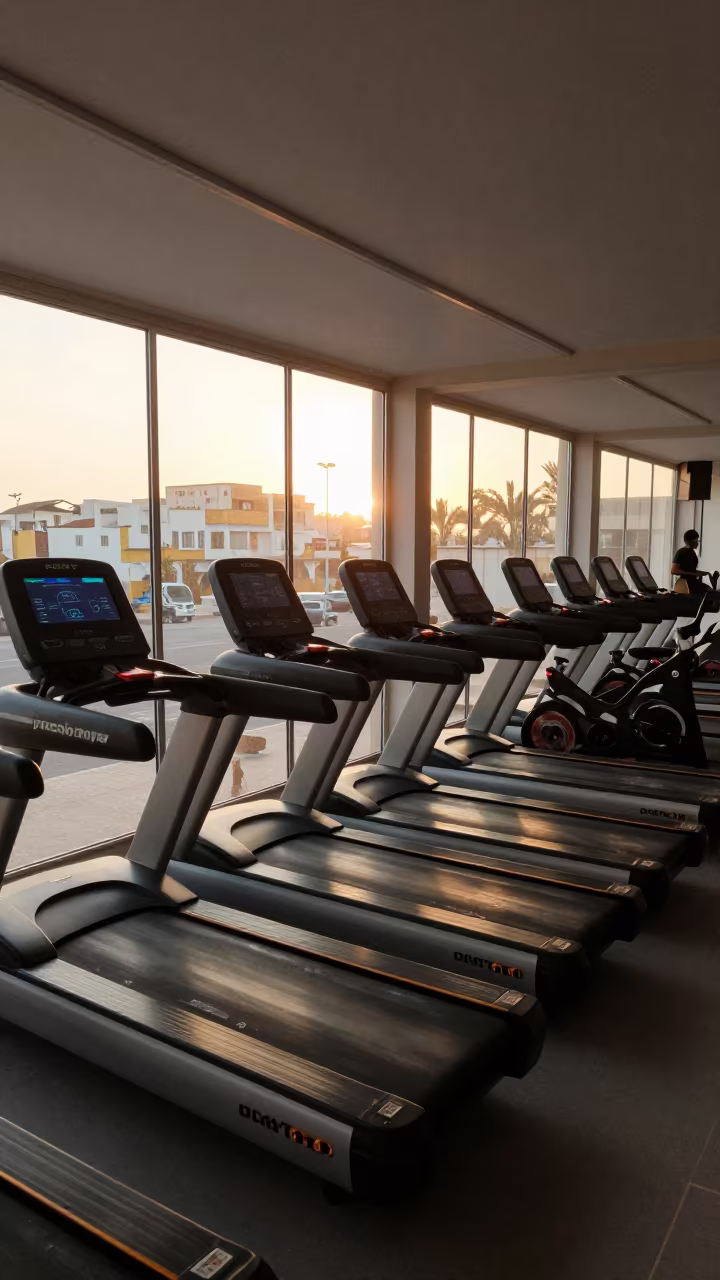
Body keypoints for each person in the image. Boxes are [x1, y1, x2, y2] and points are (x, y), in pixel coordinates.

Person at [671, 529, 710, 594]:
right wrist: (694, 574)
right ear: (691, 541)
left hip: (693, 582)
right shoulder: (681, 552)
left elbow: (691, 570)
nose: (697, 543)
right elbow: (674, 570)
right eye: (696, 540)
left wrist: (706, 573)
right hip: (685, 584)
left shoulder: (692, 553)